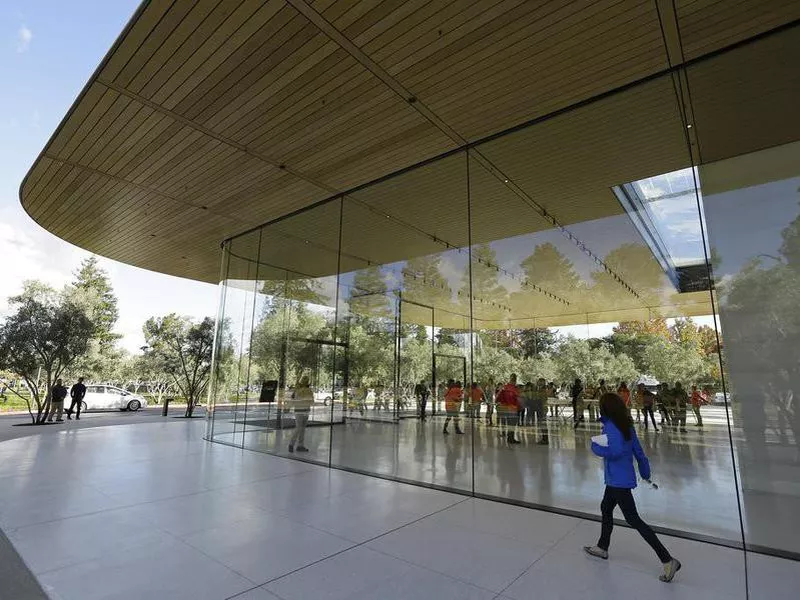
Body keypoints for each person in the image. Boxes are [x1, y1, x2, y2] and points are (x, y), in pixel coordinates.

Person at [584, 392, 681, 583]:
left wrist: (596, 448)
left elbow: (616, 451)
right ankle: (602, 547)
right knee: (606, 508)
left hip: (617, 481)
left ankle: (667, 559)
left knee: (633, 519)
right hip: (619, 479)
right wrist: (645, 472)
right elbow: (638, 451)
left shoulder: (611, 426)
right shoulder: (626, 425)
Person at [288, 376, 313, 453]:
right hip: (305, 410)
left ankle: (296, 445)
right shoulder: (309, 390)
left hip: (298, 410)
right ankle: (297, 444)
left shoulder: (296, 390)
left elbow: (293, 400)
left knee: (299, 427)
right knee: (302, 428)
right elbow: (311, 401)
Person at [496, 374, 521, 444]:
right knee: (512, 424)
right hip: (512, 408)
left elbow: (498, 397)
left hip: (504, 408)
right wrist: (519, 407)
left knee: (506, 423)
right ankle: (511, 438)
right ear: (515, 380)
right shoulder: (515, 389)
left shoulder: (504, 387)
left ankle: (508, 437)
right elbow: (518, 399)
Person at [532, 378, 549, 445]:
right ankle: (544, 438)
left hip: (542, 409)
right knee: (542, 424)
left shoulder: (542, 391)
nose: (538, 383)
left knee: (543, 424)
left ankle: (545, 439)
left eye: (539, 382)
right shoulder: (540, 390)